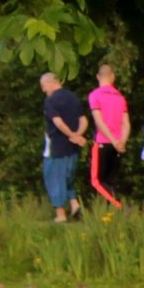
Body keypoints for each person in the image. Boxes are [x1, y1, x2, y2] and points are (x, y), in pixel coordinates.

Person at [38, 73, 88, 222]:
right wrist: (78, 135)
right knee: (68, 178)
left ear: (50, 83)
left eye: (43, 86)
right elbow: (83, 119)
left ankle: (60, 215)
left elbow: (58, 122)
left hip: (57, 147)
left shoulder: (50, 100)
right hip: (72, 148)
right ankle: (74, 205)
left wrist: (72, 135)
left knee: (54, 178)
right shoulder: (73, 97)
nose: (43, 90)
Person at [87, 64, 130, 212]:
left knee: (96, 181)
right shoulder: (120, 97)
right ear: (113, 77)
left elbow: (99, 122)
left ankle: (120, 206)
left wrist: (112, 139)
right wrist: (122, 141)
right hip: (118, 144)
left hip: (103, 142)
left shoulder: (95, 95)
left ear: (98, 77)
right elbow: (126, 122)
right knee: (110, 181)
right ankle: (108, 212)